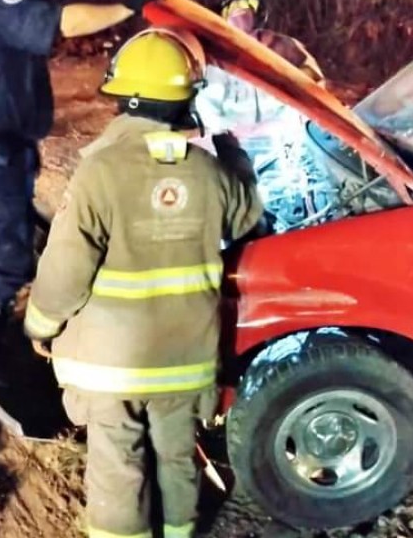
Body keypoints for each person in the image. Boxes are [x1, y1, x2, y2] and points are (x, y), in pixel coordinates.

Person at [22, 27, 264, 538]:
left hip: (113, 368)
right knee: (177, 458)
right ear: (184, 104)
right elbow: (246, 217)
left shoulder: (100, 171)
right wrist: (232, 151)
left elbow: (66, 270)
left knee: (118, 466)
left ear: (121, 101)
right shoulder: (206, 171)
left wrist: (39, 325)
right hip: (185, 362)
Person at [0, 0, 153, 385]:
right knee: (10, 254)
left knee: (6, 235)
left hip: (3, 147)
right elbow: (64, 22)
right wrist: (127, 7)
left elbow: (41, 3)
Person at [194, 0, 335, 232]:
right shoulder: (214, 57)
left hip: (287, 142)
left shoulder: (281, 45)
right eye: (234, 8)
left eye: (248, 7)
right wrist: (230, 134)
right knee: (251, 214)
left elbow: (313, 83)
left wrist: (293, 104)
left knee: (304, 201)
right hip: (240, 148)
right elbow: (206, 105)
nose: (242, 14)